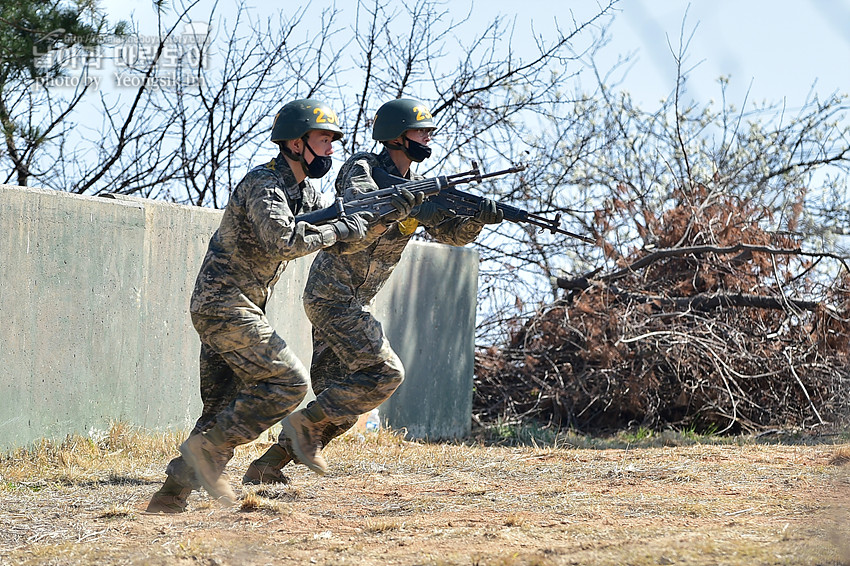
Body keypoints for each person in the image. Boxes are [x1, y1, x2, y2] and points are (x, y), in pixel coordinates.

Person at [242, 97, 504, 483]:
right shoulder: (361, 166)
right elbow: (365, 202)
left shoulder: (419, 187)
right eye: (420, 130)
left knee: (344, 405)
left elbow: (450, 234)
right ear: (397, 136)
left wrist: (478, 218)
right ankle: (299, 429)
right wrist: (412, 208)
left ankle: (267, 466)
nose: (428, 136)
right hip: (331, 295)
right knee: (385, 372)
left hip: (353, 300)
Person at [146, 98, 375, 512]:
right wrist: (337, 228)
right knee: (288, 382)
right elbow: (284, 241)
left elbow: (341, 232)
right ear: (293, 142)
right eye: (323, 140)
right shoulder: (264, 184)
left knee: (218, 408)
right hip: (223, 303)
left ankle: (168, 499)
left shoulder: (305, 190)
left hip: (238, 306)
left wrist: (373, 217)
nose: (330, 149)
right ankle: (206, 457)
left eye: (332, 142)